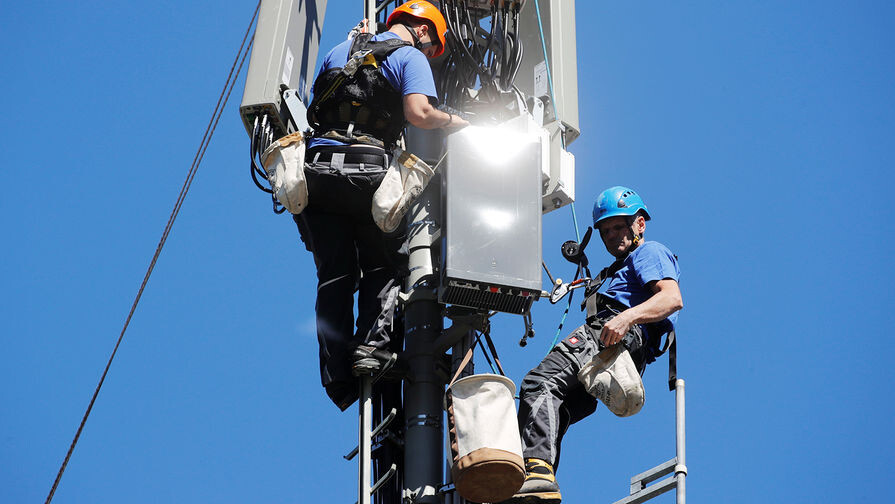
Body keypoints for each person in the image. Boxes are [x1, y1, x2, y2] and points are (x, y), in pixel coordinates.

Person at [296, 0, 468, 412]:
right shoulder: (409, 55)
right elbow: (419, 112)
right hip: (366, 169)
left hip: (317, 171)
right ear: (424, 31)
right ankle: (371, 349)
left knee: (335, 277)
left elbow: (314, 104)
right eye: (433, 49)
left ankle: (337, 377)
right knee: (384, 265)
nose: (429, 55)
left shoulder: (342, 49)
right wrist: (457, 122)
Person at [503, 186, 683, 504]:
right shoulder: (617, 270)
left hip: (608, 337)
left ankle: (539, 474)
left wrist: (626, 318)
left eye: (619, 226)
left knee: (538, 382)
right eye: (605, 231)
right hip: (618, 350)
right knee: (559, 407)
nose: (612, 235)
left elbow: (671, 298)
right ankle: (534, 485)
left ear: (640, 223)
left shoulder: (649, 251)